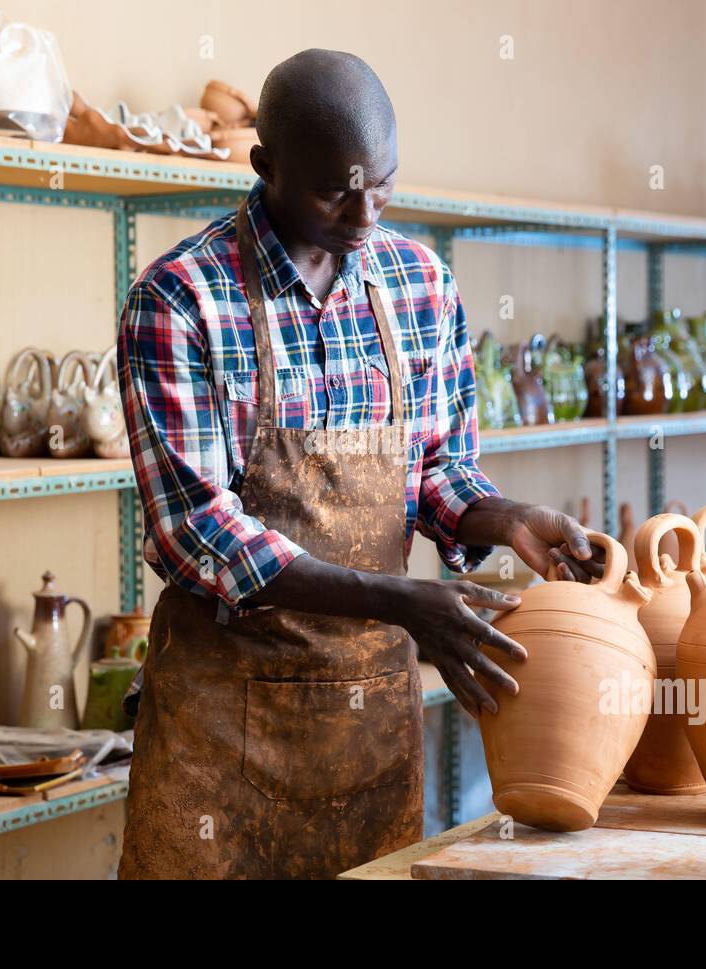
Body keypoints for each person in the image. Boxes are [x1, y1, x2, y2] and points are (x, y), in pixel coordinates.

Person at [116, 49, 601, 880]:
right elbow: (198, 532)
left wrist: (508, 517)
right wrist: (397, 597)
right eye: (335, 191)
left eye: (384, 184)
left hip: (366, 731)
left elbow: (440, 474)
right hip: (219, 737)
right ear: (266, 166)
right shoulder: (181, 300)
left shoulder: (421, 284)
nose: (366, 212)